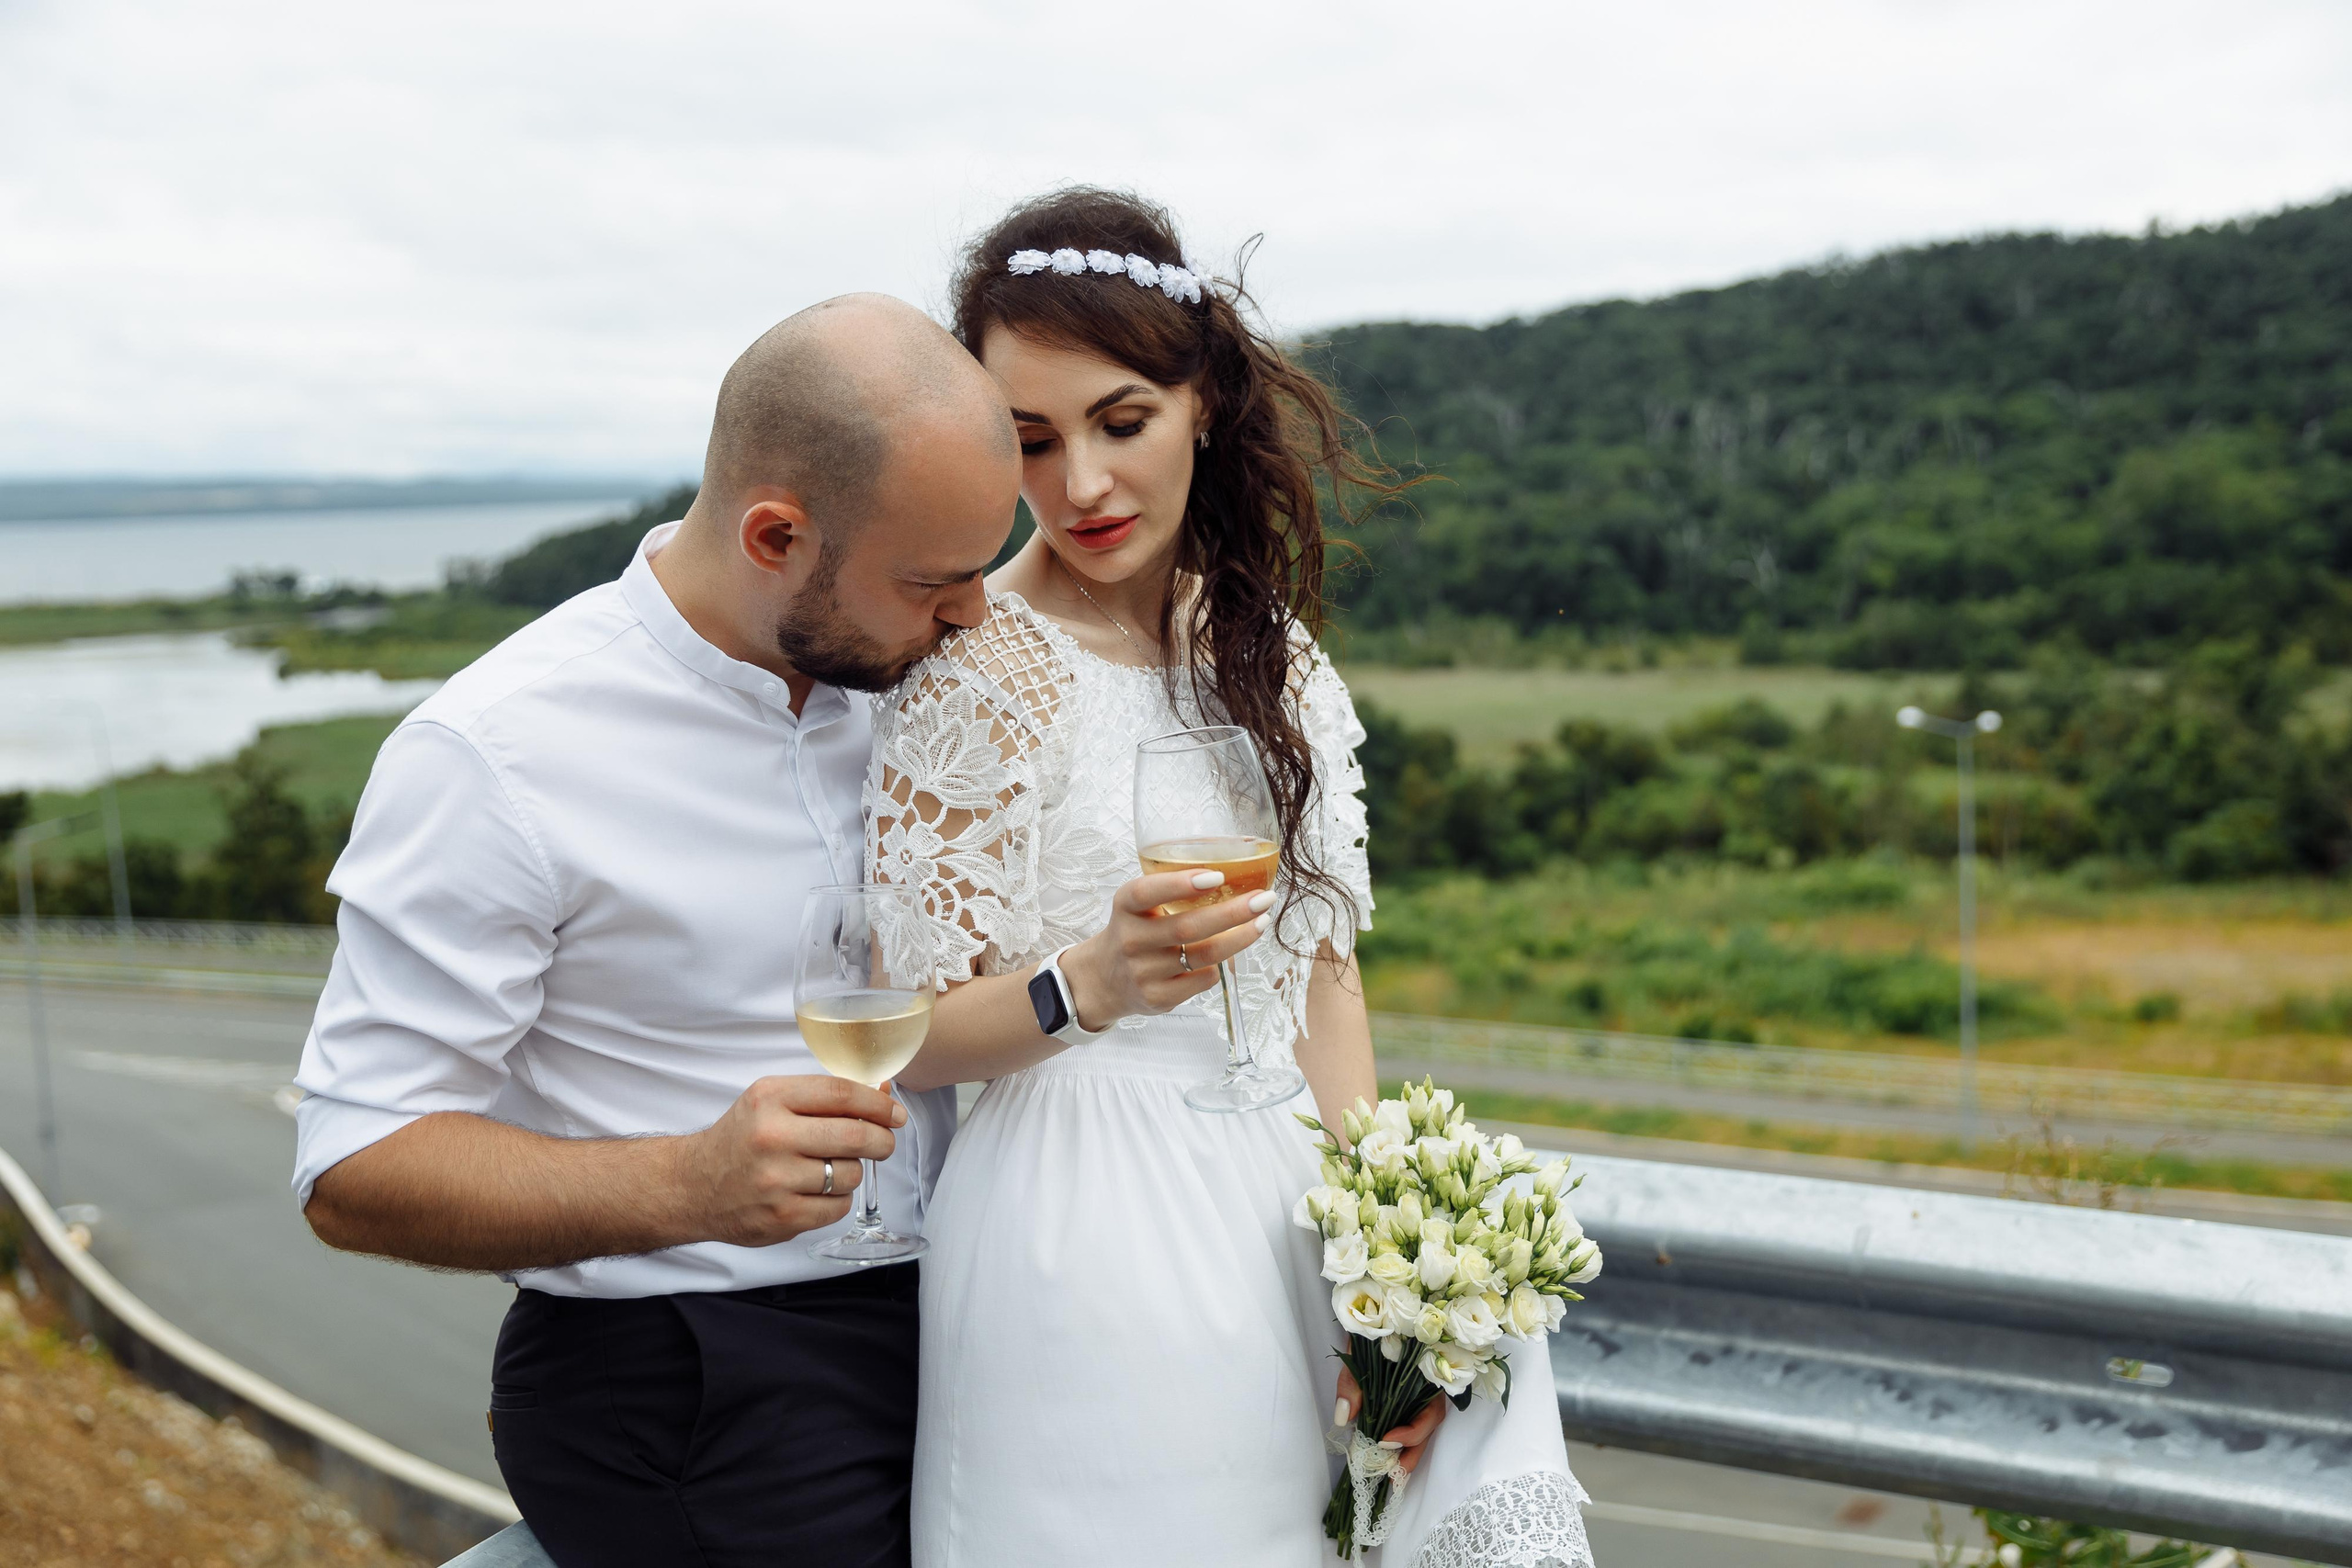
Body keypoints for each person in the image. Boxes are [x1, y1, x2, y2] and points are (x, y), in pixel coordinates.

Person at [871, 190, 1596, 1566]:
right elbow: (903, 1033)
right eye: (1031, 441)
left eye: (1121, 422)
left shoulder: (1274, 659)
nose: (1082, 486)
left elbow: (1324, 979)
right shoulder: (973, 669)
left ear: (1202, 400)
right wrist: (1084, 985)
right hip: (1074, 1227)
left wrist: (1391, 1276)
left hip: (1286, 1208)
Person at [291, 295, 1022, 1568]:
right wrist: (688, 1183)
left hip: (967, 1325)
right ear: (776, 536)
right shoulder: (495, 753)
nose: (972, 616)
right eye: (932, 581)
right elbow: (354, 1165)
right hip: (697, 1377)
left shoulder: (908, 683)